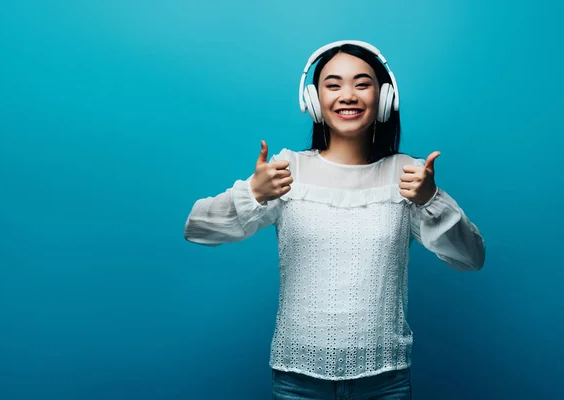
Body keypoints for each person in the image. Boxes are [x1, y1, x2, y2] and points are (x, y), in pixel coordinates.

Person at [184, 40, 486, 400]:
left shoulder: (409, 175)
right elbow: (197, 228)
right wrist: (254, 193)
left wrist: (431, 199)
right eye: (333, 84)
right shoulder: (287, 170)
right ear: (313, 100)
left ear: (385, 97)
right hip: (297, 381)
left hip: (385, 381)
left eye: (362, 84)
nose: (348, 95)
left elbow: (472, 258)